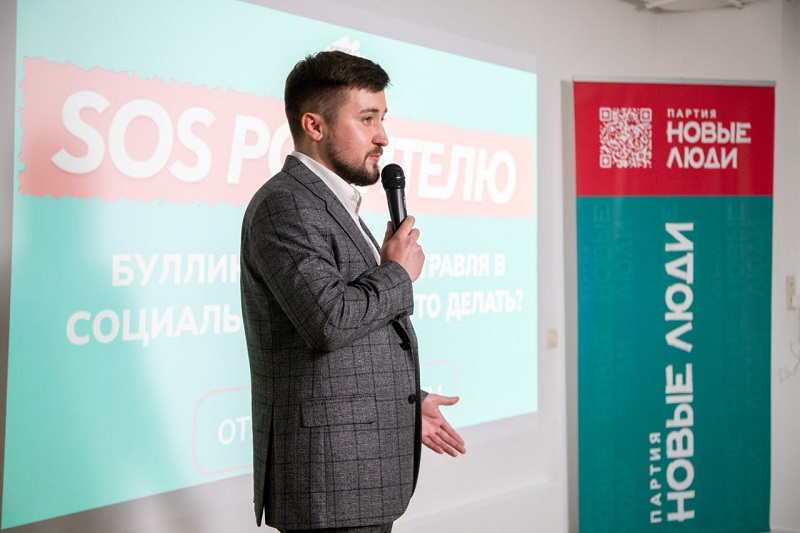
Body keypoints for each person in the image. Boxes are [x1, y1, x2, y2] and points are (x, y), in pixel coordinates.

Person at [240, 50, 466, 533]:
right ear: (314, 126)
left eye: (382, 118)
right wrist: (397, 273)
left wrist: (408, 399)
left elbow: (350, 344)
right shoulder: (286, 205)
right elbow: (330, 320)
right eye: (367, 119)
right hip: (329, 481)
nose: (383, 136)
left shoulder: (330, 203)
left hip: (352, 477)